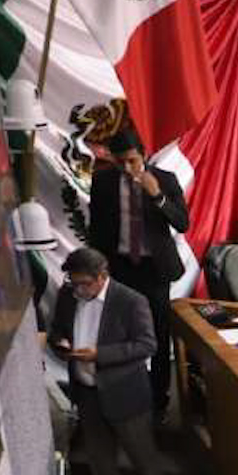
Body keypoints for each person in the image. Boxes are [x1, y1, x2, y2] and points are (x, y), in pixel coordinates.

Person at [50, 247, 172, 475]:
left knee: (144, 459)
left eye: (83, 284)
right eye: (73, 283)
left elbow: (147, 345)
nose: (77, 289)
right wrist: (61, 343)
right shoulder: (68, 296)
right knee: (100, 460)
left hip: (125, 393)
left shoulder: (131, 301)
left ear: (102, 277)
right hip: (87, 393)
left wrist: (99, 355)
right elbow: (56, 330)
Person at [86, 129, 188, 420]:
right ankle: (124, 398)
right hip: (119, 270)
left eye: (132, 160)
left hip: (154, 271)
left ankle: (159, 402)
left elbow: (183, 223)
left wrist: (157, 196)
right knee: (118, 337)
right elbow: (97, 230)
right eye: (120, 162)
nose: (127, 168)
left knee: (157, 335)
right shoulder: (102, 182)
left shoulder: (165, 179)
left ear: (143, 155)